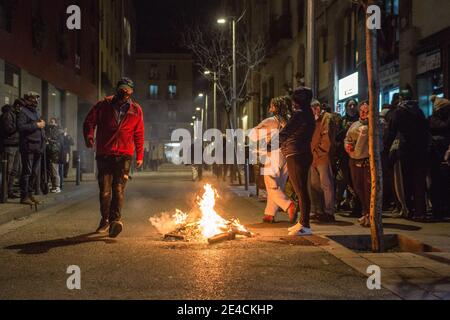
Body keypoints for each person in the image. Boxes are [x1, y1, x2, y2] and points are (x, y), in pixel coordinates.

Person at [84, 77, 144, 238]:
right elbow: (89, 121)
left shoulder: (136, 109)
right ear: (117, 89)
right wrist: (89, 136)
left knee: (118, 188)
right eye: (122, 88)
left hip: (124, 155)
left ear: (131, 92)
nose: (125, 92)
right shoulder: (103, 105)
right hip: (105, 153)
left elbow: (139, 133)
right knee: (104, 190)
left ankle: (115, 221)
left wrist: (140, 155)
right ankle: (105, 219)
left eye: (128, 89)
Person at [250, 97, 297, 224]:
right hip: (287, 155)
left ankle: (288, 205)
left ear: (276, 107)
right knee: (278, 185)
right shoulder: (291, 120)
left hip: (274, 153)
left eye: (272, 106)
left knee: (270, 183)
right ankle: (270, 213)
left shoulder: (271, 121)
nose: (270, 108)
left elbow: (254, 134)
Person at [386, 87, 429, 221]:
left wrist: (388, 148)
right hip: (419, 151)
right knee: (418, 181)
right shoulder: (420, 112)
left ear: (401, 99)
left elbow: (391, 132)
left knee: (405, 182)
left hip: (404, 151)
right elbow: (425, 131)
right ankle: (420, 211)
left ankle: (408, 209)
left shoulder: (398, 112)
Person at [280, 86, 316, 236]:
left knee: (301, 190)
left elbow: (286, 131)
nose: (293, 103)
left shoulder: (300, 115)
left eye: (294, 100)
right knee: (300, 190)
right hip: (301, 153)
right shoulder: (308, 114)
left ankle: (305, 225)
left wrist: (270, 145)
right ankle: (302, 222)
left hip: (296, 154)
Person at [345, 101, 371, 228]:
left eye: (367, 112)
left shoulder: (375, 125)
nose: (364, 114)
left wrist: (356, 151)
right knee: (358, 187)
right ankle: (364, 211)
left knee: (368, 189)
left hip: (366, 160)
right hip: (354, 160)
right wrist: (348, 147)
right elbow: (347, 138)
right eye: (362, 111)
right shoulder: (355, 124)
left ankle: (369, 214)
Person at [309, 100, 336, 223]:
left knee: (326, 184)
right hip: (314, 156)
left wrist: (319, 152)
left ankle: (329, 211)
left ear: (318, 108)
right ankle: (319, 210)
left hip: (322, 156)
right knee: (315, 184)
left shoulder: (327, 118)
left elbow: (327, 138)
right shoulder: (314, 120)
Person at [17, 92, 46, 206]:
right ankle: (24, 196)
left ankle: (29, 194)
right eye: (34, 98)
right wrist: (37, 125)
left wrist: (41, 126)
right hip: (28, 146)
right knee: (27, 172)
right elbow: (21, 127)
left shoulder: (35, 112)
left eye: (37, 98)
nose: (36, 100)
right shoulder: (23, 111)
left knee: (34, 172)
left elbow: (39, 129)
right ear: (28, 99)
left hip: (37, 146)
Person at [335, 99, 361, 216]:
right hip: (345, 156)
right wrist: (347, 129)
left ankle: (356, 206)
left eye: (353, 105)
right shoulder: (343, 120)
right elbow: (337, 137)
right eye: (349, 105)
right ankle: (338, 202)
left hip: (358, 155)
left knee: (356, 181)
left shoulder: (360, 120)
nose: (351, 107)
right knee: (343, 180)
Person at [428, 95, 450, 219]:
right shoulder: (432, 120)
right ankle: (438, 209)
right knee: (436, 183)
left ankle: (444, 208)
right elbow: (442, 126)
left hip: (443, 154)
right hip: (436, 155)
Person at [0, 99, 25, 199]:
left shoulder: (15, 114)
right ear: (17, 106)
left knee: (14, 170)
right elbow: (8, 129)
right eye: (21, 107)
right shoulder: (8, 114)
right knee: (7, 170)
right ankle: (4, 192)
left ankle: (9, 191)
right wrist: (19, 126)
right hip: (9, 145)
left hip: (16, 145)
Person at [45, 118, 64, 193]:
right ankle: (53, 186)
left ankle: (57, 186)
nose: (50, 123)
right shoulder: (50, 129)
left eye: (52, 122)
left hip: (55, 152)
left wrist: (49, 140)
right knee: (51, 170)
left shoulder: (58, 131)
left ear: (56, 123)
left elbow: (59, 142)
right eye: (49, 121)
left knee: (54, 169)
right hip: (50, 151)